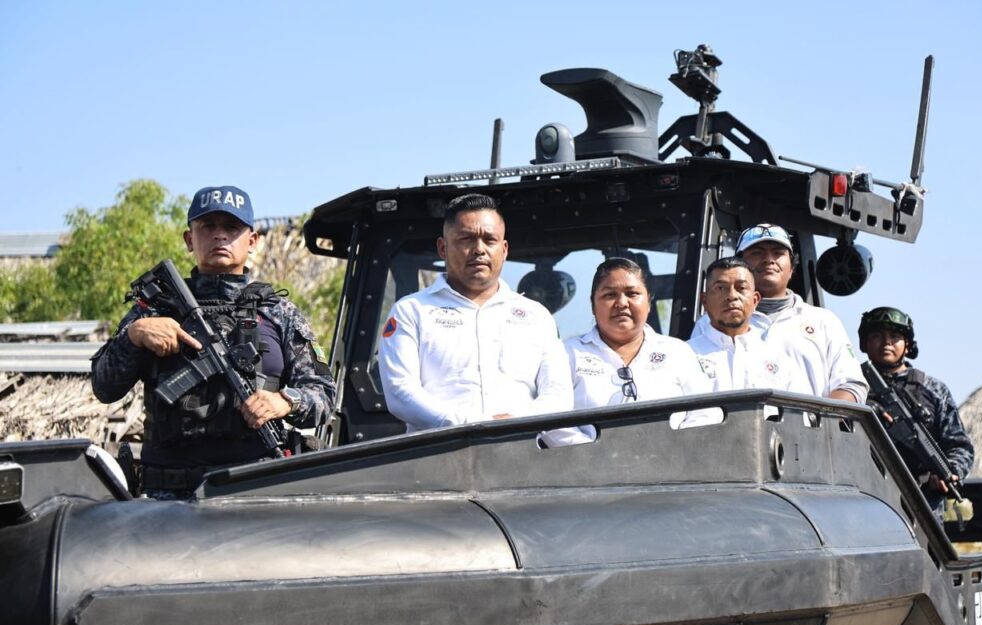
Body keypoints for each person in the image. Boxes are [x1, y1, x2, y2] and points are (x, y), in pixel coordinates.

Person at [91, 185, 338, 499]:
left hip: (256, 489)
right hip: (169, 497)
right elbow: (104, 387)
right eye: (208, 226)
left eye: (232, 227)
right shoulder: (152, 311)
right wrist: (134, 335)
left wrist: (285, 401)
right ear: (189, 240)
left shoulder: (279, 312)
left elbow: (324, 395)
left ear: (252, 241)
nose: (220, 235)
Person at [377, 193, 573, 432]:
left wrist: (515, 423)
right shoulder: (411, 312)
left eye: (490, 240)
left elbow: (558, 395)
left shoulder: (537, 317)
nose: (479, 249)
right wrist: (469, 426)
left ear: (504, 249)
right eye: (466, 239)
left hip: (524, 450)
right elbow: (400, 392)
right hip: (439, 451)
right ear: (442, 248)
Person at [543, 258, 714, 447]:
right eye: (610, 295)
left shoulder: (678, 352)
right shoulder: (566, 353)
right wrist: (593, 455)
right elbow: (551, 419)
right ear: (593, 305)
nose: (621, 303)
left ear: (648, 302)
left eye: (632, 293)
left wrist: (672, 452)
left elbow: (706, 413)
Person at [692, 224, 867, 402]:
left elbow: (851, 385)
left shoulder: (824, 321)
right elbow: (695, 385)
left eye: (778, 253)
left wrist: (820, 416)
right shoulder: (709, 323)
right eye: (757, 253)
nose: (768, 259)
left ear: (791, 268)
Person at [859, 306, 974, 515]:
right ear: (865, 343)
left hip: (922, 506)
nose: (886, 342)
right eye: (877, 336)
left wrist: (950, 471)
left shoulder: (933, 389)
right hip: (864, 498)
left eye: (895, 336)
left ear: (907, 345)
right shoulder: (851, 385)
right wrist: (865, 409)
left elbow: (960, 446)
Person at [688, 257, 811, 393]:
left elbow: (798, 406)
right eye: (721, 288)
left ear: (755, 300)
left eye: (741, 288)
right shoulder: (683, 356)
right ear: (705, 301)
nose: (732, 296)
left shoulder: (781, 360)